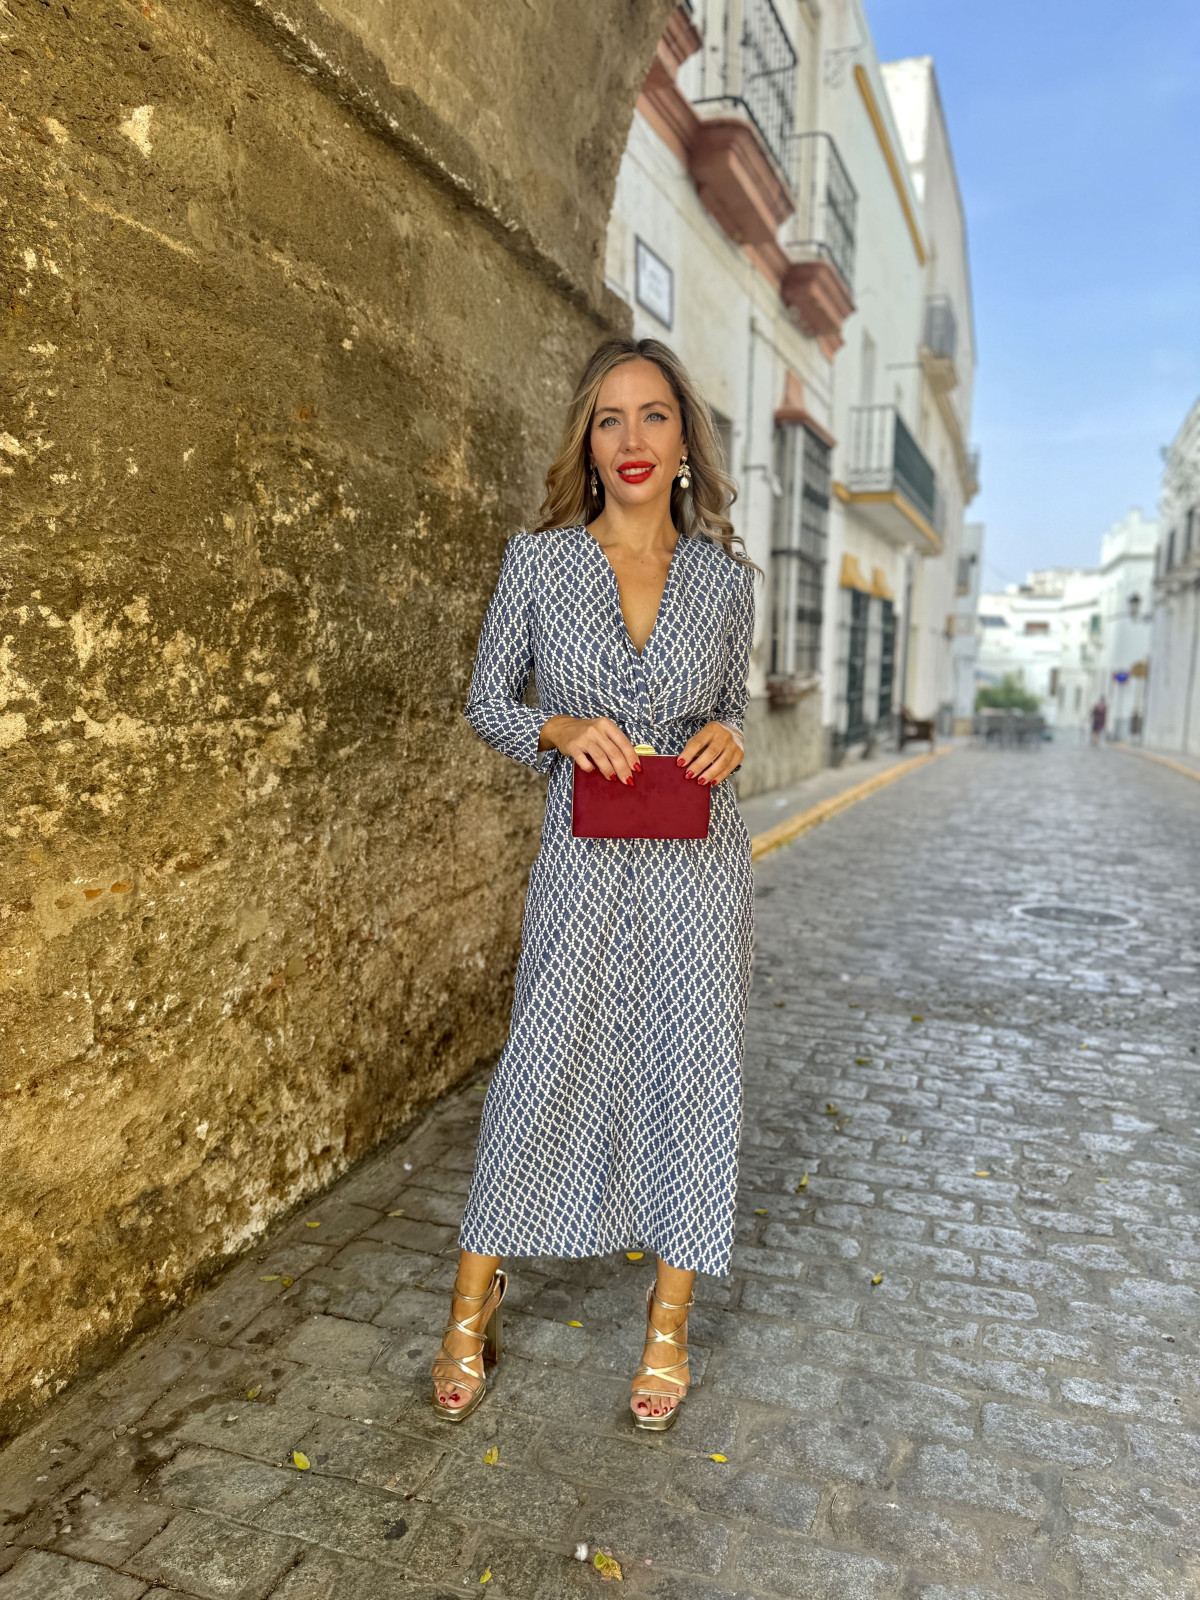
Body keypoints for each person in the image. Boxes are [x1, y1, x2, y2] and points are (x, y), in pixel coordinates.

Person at [429, 337, 756, 1431]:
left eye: (653, 416)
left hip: (697, 868)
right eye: (609, 418)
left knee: (693, 1072)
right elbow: (487, 701)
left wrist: (727, 736)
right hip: (580, 858)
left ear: (682, 442)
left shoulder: (725, 580)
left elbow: (734, 708)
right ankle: (472, 1302)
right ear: (588, 438)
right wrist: (557, 725)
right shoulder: (539, 562)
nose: (630, 438)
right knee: (539, 1064)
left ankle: (668, 1328)